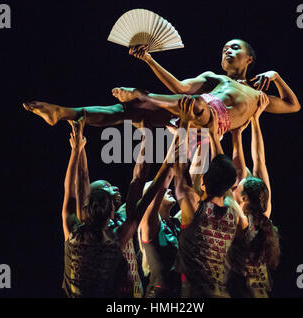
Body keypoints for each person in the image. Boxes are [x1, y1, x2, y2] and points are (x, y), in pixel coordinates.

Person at [23, 39, 300, 133]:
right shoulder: (213, 78)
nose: (227, 51)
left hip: (212, 121)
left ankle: (145, 95)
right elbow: (179, 86)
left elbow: (293, 105)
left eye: (235, 48)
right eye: (224, 48)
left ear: (249, 58)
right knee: (128, 110)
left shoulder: (258, 94)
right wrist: (149, 60)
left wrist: (275, 76)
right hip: (192, 112)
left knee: (196, 104)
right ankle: (63, 112)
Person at [61, 117, 173, 297]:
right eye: (106, 188)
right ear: (109, 209)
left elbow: (74, 188)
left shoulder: (78, 233)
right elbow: (81, 184)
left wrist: (77, 149)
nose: (113, 187)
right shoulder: (117, 237)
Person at [172, 96, 248, 298]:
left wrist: (185, 122)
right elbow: (227, 175)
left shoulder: (193, 210)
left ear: (204, 182)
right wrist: (213, 137)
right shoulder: (233, 215)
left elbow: (178, 168)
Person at [227, 99, 281, 298]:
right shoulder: (265, 212)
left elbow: (241, 171)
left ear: (243, 198)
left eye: (235, 187)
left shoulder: (238, 220)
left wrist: (236, 134)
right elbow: (260, 160)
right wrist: (255, 120)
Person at [137, 159, 181, 297]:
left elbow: (193, 186)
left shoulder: (175, 222)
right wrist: (178, 147)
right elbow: (164, 181)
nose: (168, 189)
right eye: (162, 191)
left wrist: (200, 145)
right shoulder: (150, 225)